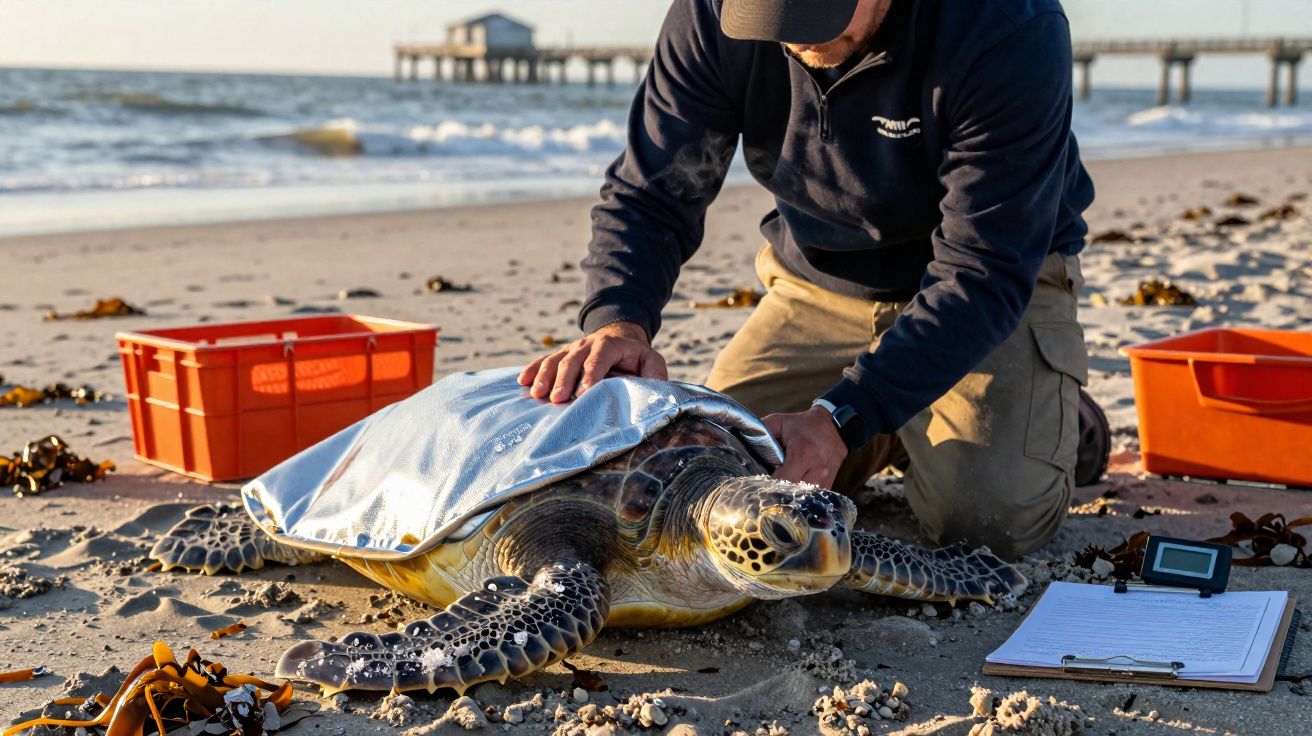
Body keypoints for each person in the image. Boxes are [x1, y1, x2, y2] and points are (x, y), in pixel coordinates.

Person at [519, 0, 1101, 559]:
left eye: (817, 9)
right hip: (820, 285)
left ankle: (1059, 417)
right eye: (774, 15)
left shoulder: (1007, 26)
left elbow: (984, 270)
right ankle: (898, 424)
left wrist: (841, 417)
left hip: (991, 292)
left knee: (986, 524)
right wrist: (620, 319)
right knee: (712, 485)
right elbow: (651, 194)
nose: (798, 37)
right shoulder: (711, 12)